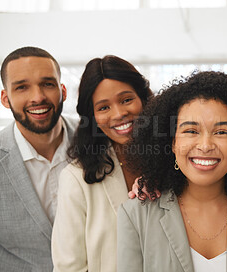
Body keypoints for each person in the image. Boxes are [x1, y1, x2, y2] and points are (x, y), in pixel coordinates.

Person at [118, 71, 227, 272]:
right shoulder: (136, 214)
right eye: (191, 131)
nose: (205, 145)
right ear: (172, 142)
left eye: (221, 132)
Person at [51, 55, 153, 271]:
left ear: (143, 99)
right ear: (92, 116)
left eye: (126, 100)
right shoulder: (76, 178)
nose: (119, 114)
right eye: (104, 108)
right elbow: (69, 266)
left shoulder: (174, 161)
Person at [0, 46, 77, 271]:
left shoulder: (99, 142)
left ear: (63, 91)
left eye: (48, 84)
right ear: (5, 98)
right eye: (21, 87)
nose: (37, 97)